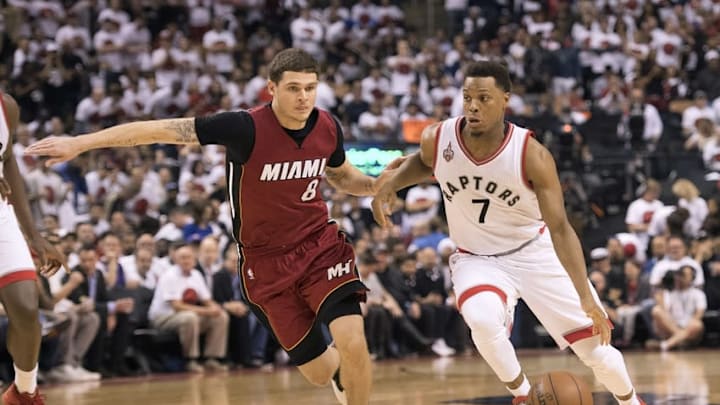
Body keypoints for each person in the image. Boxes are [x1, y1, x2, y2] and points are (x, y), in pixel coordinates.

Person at [26, 48, 397, 405]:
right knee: (320, 372)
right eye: (294, 88)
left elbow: (342, 175)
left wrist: (375, 186)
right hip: (265, 264)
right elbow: (160, 130)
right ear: (272, 88)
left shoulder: (328, 126)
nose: (304, 97)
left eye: (310, 88)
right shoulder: (244, 127)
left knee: (353, 339)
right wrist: (81, 142)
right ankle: (338, 375)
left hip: (319, 246)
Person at [371, 61, 645, 405]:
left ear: (505, 100)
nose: (472, 105)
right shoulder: (438, 137)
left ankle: (632, 401)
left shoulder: (531, 155)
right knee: (482, 321)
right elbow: (425, 163)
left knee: (597, 352)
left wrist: (586, 297)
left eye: (483, 98)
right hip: (477, 258)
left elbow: (561, 229)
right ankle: (524, 396)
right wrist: (389, 185)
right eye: (467, 96)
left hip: (534, 251)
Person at [0, 93, 65, 404]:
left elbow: (8, 161)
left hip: (1, 213)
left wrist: (35, 237)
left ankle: (23, 391)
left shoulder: (7, 106)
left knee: (27, 307)